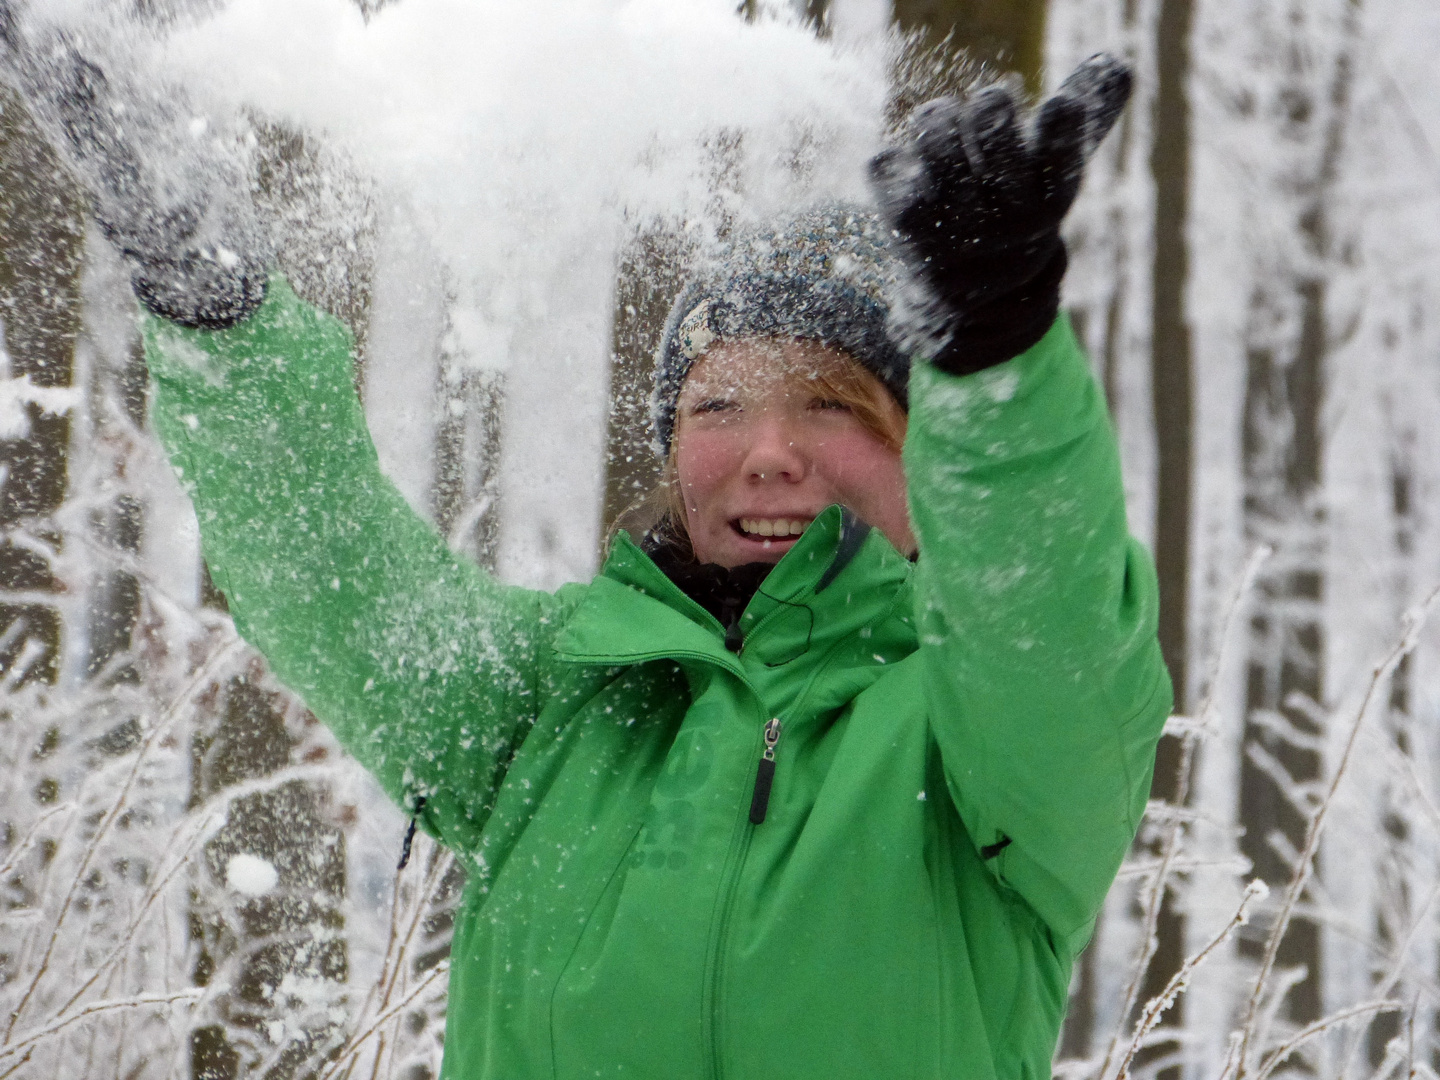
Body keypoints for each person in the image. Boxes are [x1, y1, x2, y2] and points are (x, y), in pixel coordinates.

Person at [4, 13, 1170, 1076]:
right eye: (718, 407)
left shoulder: (988, 747)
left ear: (928, 447)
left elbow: (1047, 626)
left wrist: (996, 355)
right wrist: (217, 305)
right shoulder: (555, 699)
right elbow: (336, 574)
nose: (769, 452)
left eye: (833, 405)